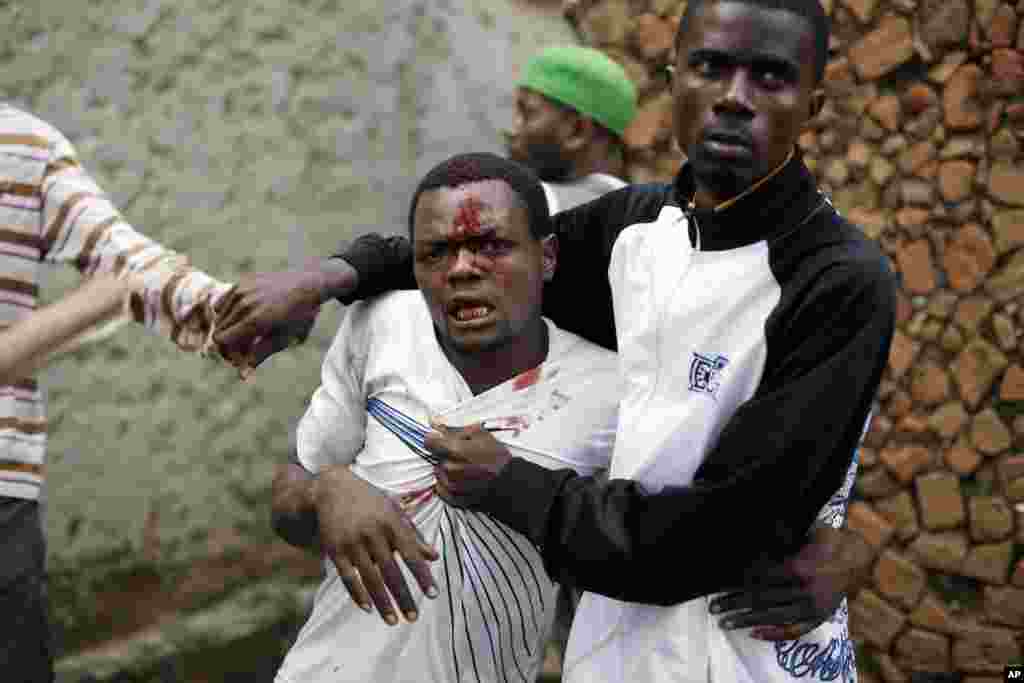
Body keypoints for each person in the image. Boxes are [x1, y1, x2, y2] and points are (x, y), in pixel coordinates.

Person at [217, 0, 895, 680]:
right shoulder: (638, 229)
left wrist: (512, 484)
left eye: (771, 77)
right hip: (614, 656)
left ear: (814, 102)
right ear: (673, 79)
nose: (734, 99)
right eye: (711, 68)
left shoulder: (836, 281)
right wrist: (324, 278)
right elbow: (479, 254)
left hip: (749, 658)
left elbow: (718, 536)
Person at [270, 153, 623, 682]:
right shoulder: (384, 325)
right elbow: (287, 499)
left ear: (546, 256)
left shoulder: (609, 392)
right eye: (438, 252)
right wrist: (325, 492)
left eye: (491, 246)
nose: (461, 269)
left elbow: (638, 560)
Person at [0, 104, 307, 682]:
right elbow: (123, 277)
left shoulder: (23, 144)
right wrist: (98, 300)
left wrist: (231, 311)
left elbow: (124, 255)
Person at [507, 45, 635, 212]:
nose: (513, 130)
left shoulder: (537, 211)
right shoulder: (643, 217)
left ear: (577, 130)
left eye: (527, 114)